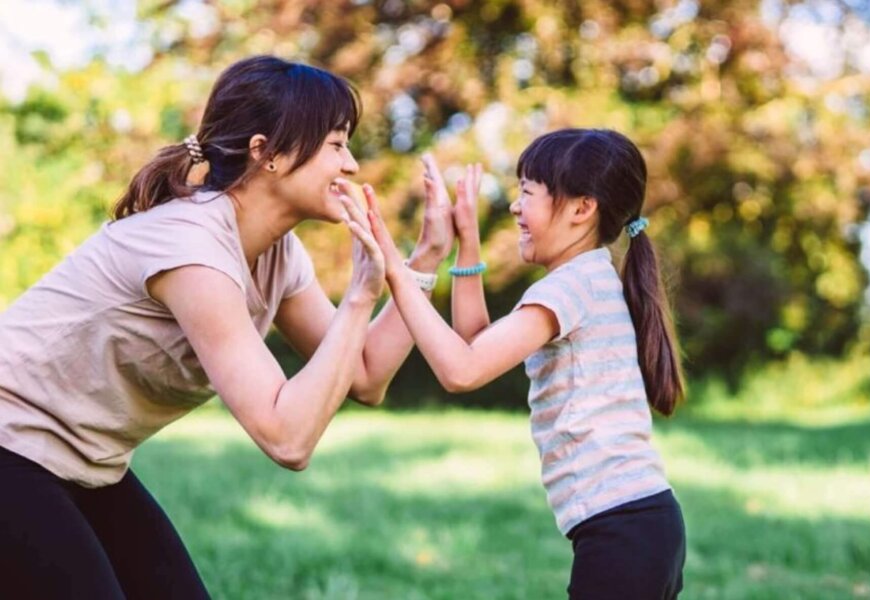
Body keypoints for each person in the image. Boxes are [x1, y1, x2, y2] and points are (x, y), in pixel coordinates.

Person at [0, 55, 452, 598]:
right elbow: (287, 439)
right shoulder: (191, 244)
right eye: (336, 144)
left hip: (87, 461)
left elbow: (364, 377)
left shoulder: (279, 255)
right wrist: (360, 295)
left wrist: (424, 258)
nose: (351, 165)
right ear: (268, 154)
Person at [366, 129, 688, 599]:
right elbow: (475, 343)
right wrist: (468, 244)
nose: (516, 206)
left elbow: (461, 370)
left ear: (582, 209)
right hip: (641, 525)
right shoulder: (587, 278)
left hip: (621, 531)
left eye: (528, 193)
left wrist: (397, 270)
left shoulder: (570, 288)